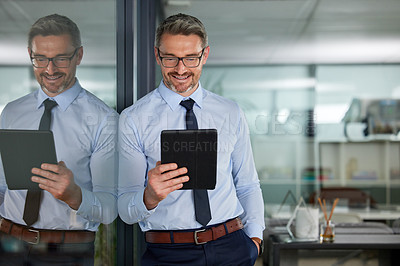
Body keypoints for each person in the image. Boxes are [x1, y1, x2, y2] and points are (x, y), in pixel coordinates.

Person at [118, 13, 265, 265]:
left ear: (205, 55)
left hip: (231, 247)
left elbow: (247, 183)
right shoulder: (134, 119)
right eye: (170, 58)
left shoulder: (230, 112)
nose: (181, 68)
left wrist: (254, 241)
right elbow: (125, 209)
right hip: (168, 254)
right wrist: (149, 197)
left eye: (190, 58)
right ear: (157, 55)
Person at [0, 14, 118, 265]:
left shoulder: (104, 119)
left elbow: (109, 209)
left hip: (66, 251)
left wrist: (74, 194)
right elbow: (2, 184)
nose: (49, 69)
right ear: (30, 55)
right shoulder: (12, 111)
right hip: (7, 243)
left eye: (61, 59)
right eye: (40, 59)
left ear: (79, 56)